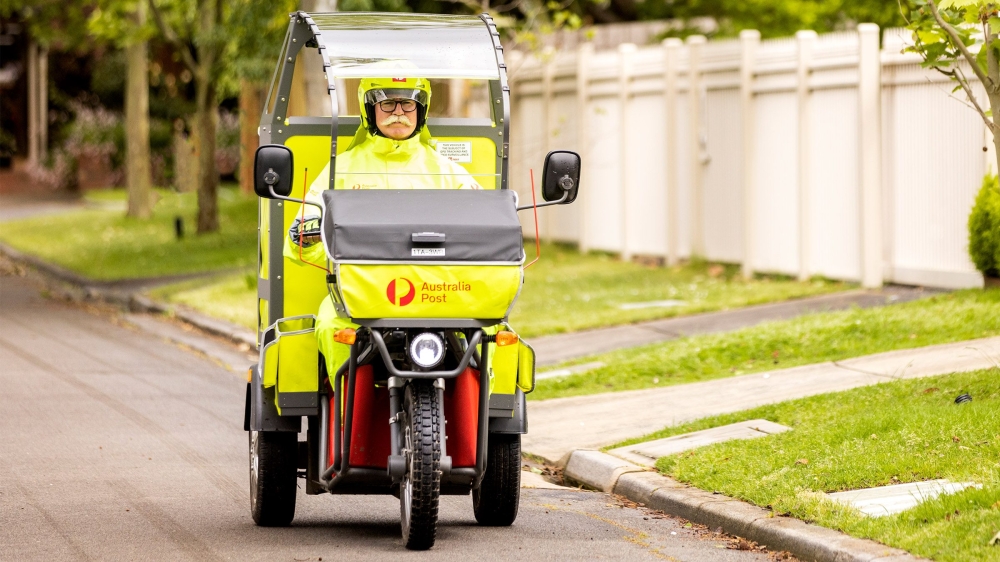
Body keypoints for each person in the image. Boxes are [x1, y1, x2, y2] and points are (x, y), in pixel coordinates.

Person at [284, 76, 482, 377]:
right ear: (370, 110)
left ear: (421, 110)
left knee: (491, 330)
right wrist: (312, 240)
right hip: (358, 295)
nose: (399, 112)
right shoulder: (341, 169)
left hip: (437, 293)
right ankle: (347, 420)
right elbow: (301, 235)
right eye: (387, 103)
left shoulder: (447, 171)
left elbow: (484, 224)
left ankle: (474, 421)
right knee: (329, 323)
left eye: (408, 103)